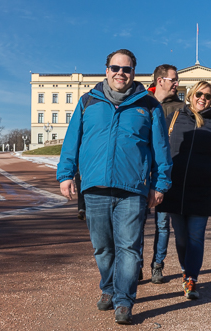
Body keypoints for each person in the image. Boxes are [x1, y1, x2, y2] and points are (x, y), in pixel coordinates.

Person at [56, 49, 172, 325]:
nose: (121, 73)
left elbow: (161, 149)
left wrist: (161, 183)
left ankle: (124, 299)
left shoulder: (149, 105)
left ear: (134, 73)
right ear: (106, 70)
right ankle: (108, 288)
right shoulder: (88, 102)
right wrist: (66, 174)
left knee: (129, 248)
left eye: (127, 69)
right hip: (95, 186)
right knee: (103, 248)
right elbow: (73, 139)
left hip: (132, 188)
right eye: (116, 68)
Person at [156, 81, 211, 300]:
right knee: (181, 237)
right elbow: (158, 149)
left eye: (208, 96)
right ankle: (186, 270)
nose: (203, 98)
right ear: (191, 95)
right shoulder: (173, 118)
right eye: (199, 94)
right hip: (175, 188)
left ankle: (191, 277)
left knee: (195, 236)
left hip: (202, 190)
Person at [146, 64, 185, 284]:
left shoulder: (181, 107)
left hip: (165, 173)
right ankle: (135, 264)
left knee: (162, 224)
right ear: (160, 80)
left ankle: (157, 265)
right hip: (141, 172)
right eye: (173, 80)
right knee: (135, 224)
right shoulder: (141, 101)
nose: (177, 83)